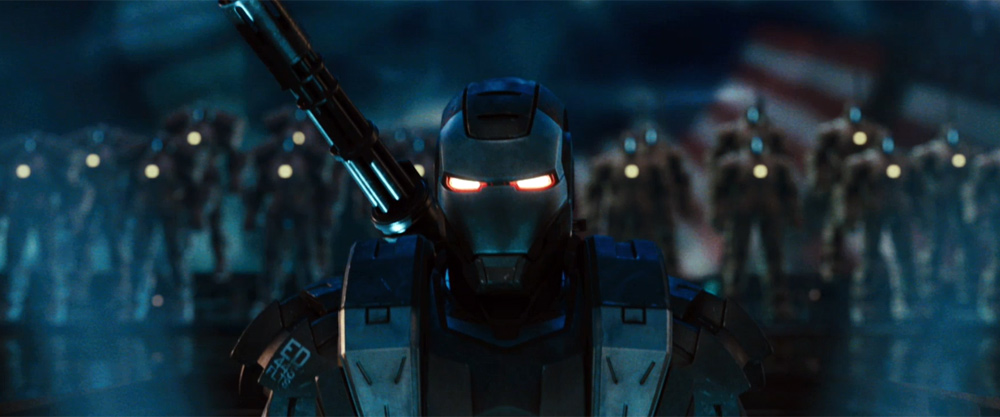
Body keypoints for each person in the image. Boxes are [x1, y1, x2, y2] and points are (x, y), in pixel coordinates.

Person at [231, 77, 771, 416]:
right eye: (469, 185)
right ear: (443, 184)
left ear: (565, 183)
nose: (499, 207)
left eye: (530, 182)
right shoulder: (338, 337)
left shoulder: (671, 334)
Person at [711, 135, 802, 320]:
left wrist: (793, 215)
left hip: (770, 211)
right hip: (742, 211)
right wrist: (720, 215)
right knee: (736, 256)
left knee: (774, 257)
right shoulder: (733, 164)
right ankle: (732, 302)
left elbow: (789, 191)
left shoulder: (777, 165)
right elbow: (720, 191)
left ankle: (779, 303)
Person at [838, 136, 920, 322]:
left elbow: (916, 188)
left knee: (904, 256)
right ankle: (865, 302)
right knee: (870, 257)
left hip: (898, 210)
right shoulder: (864, 163)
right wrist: (850, 214)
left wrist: (920, 212)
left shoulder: (904, 161)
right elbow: (850, 189)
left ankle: (907, 302)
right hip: (874, 210)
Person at [911, 126, 977, 304]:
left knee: (965, 242)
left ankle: (966, 288)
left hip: (957, 201)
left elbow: (972, 169)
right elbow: (917, 163)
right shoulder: (933, 151)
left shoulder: (963, 151)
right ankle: (930, 287)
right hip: (937, 202)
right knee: (935, 243)